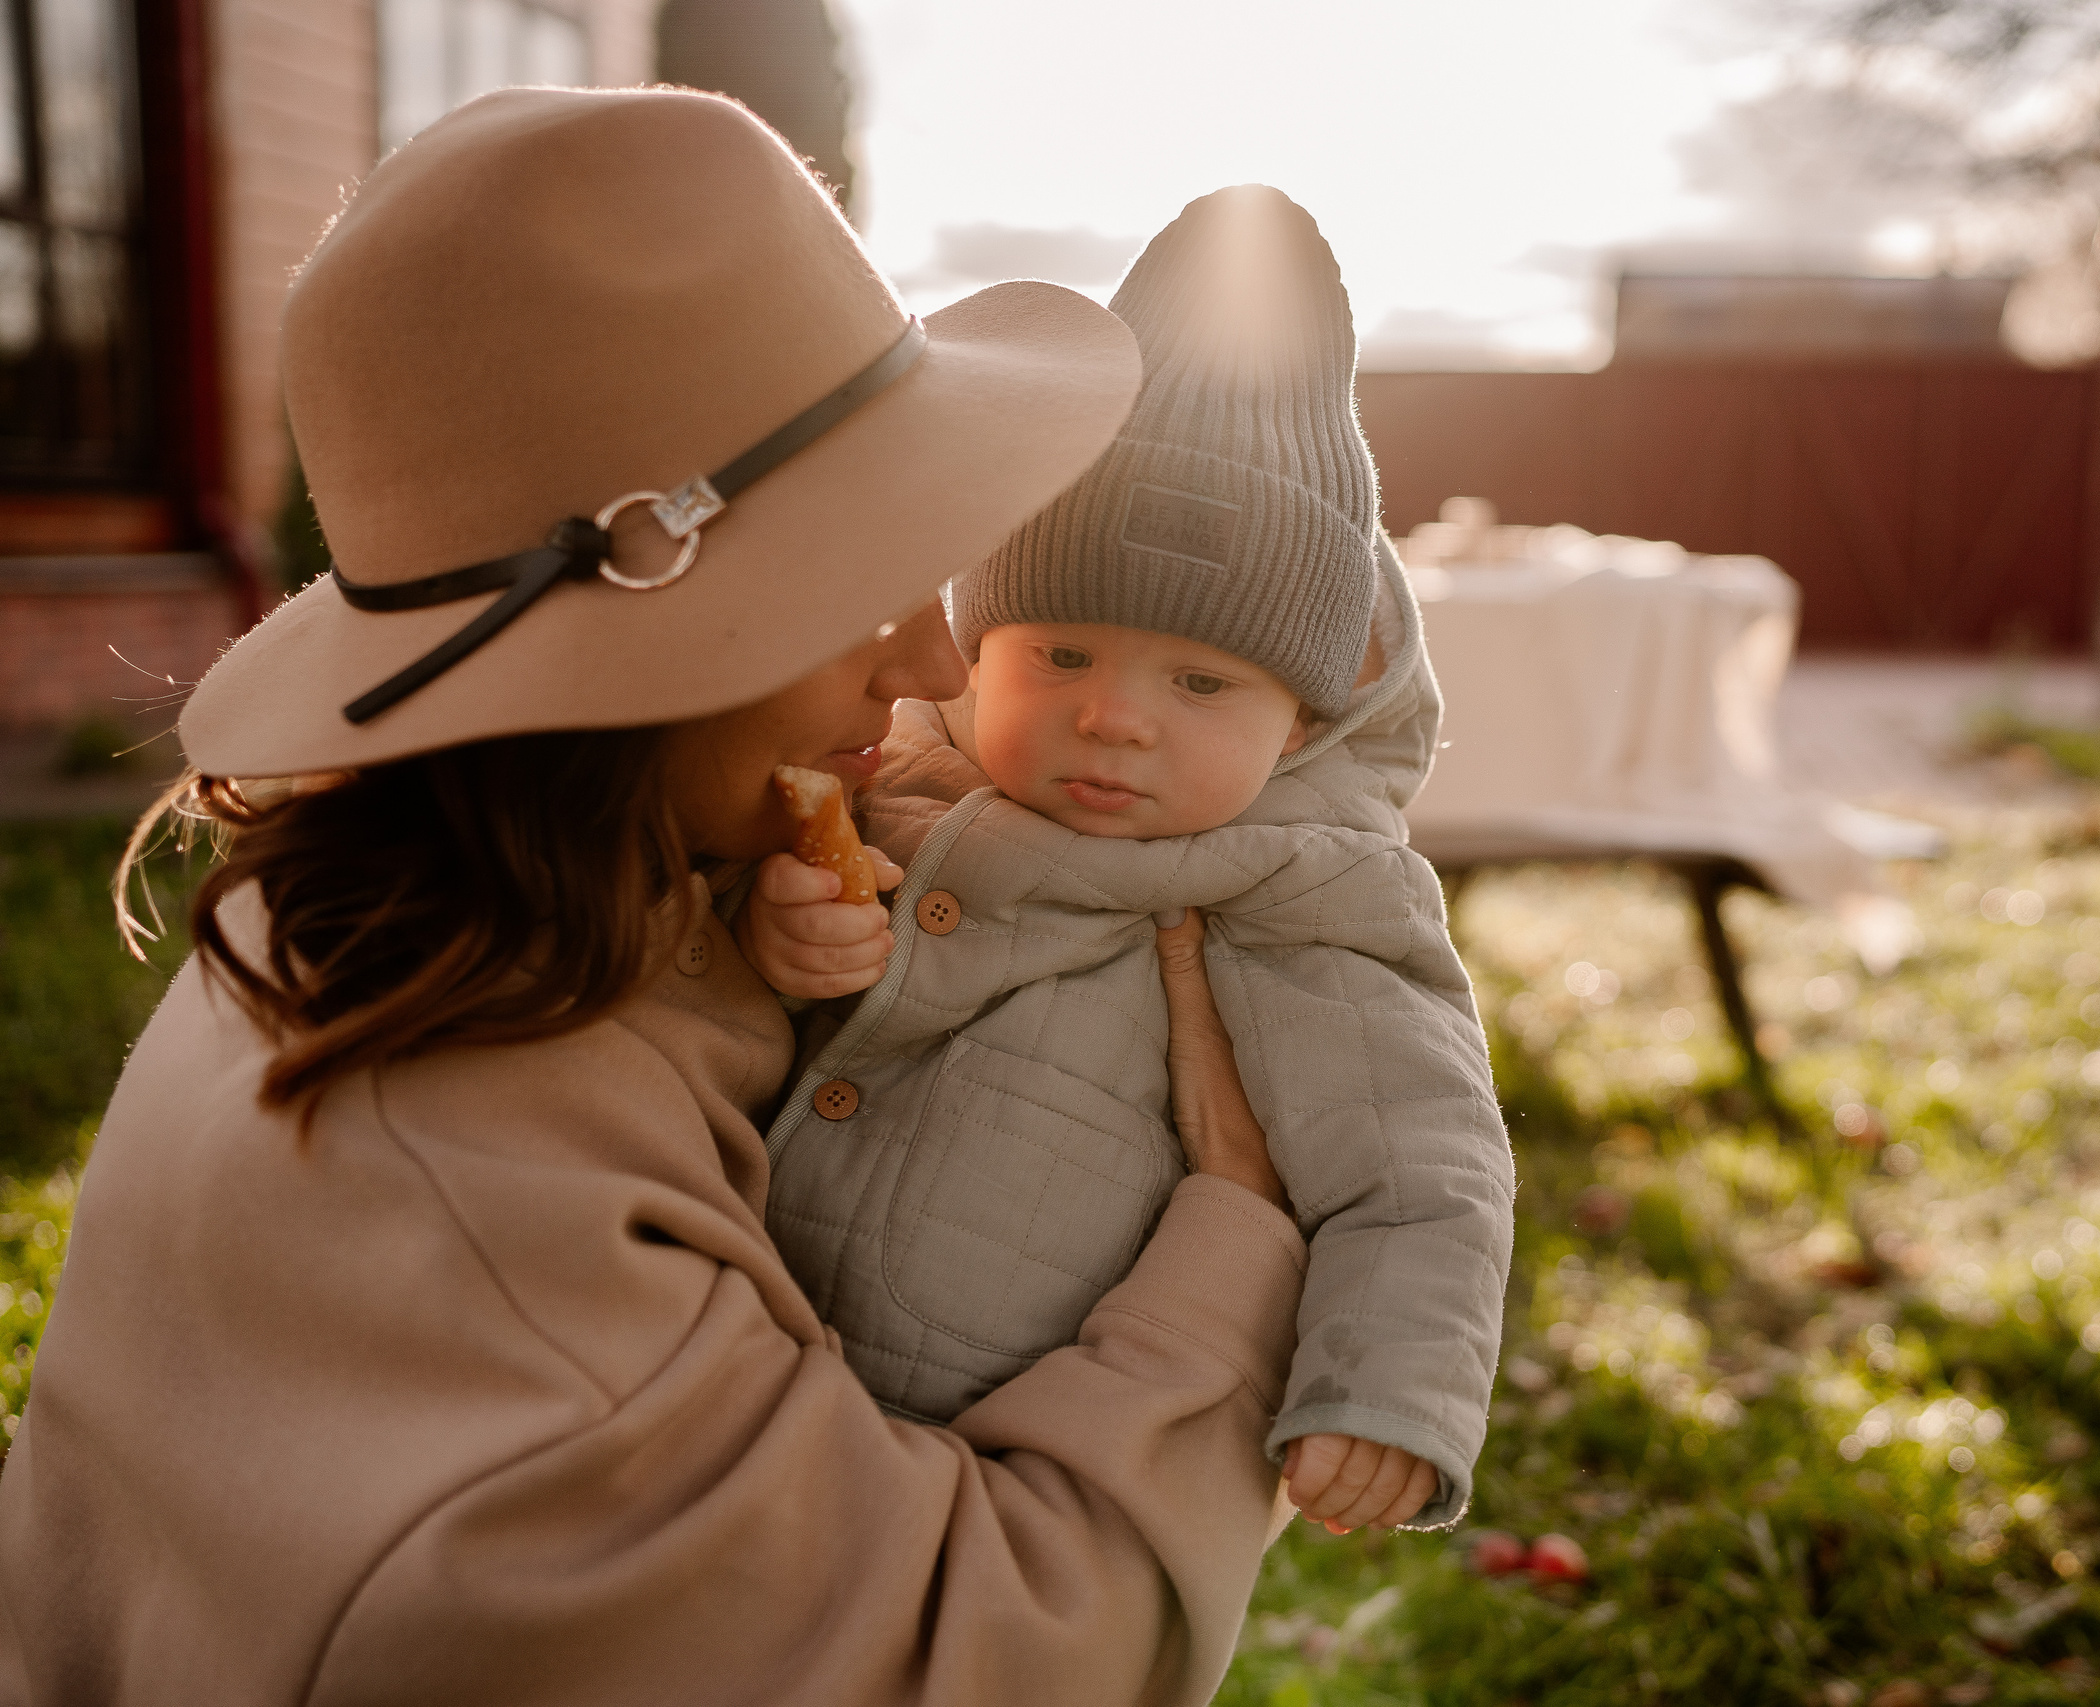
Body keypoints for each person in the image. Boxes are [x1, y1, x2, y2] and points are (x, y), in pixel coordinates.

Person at [0, 89, 1310, 1706]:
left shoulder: (388, 906)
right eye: (848, 593)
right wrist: (1241, 1241)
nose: (928, 668)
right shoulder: (515, 1259)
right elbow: (996, 1651)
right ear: (619, 661)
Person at [734, 188, 1513, 1537]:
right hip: (754, 1364)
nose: (1113, 716)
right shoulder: (898, 790)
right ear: (984, 649)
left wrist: (1390, 1393)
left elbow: (1422, 1169)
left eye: (1203, 682)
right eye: (1063, 654)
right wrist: (793, 934)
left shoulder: (1302, 898)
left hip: (1016, 1431)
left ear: (1306, 720)